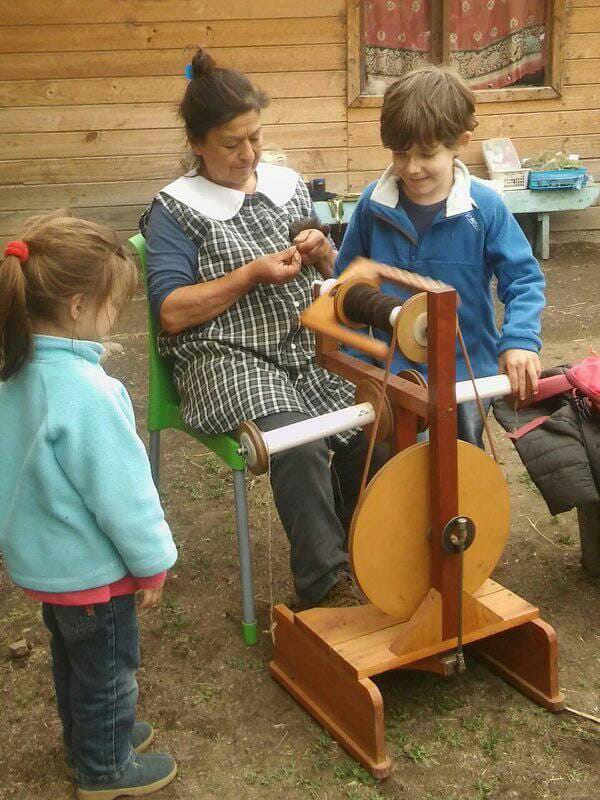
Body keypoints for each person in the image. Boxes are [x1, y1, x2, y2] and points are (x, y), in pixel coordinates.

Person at [140, 48, 383, 610]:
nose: (248, 155)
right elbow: (171, 311)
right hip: (223, 359)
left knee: (374, 412)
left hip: (301, 345)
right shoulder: (175, 210)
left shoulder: (286, 184)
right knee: (297, 440)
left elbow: (329, 267)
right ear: (198, 144)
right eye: (231, 144)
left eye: (255, 138)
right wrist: (248, 275)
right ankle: (327, 587)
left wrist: (324, 252)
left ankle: (369, 550)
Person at [0, 212, 178, 800]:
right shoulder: (89, 394)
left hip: (47, 567)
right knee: (110, 670)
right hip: (94, 575)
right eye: (110, 307)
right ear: (77, 306)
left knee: (73, 662)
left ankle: (90, 739)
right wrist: (152, 561)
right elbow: (122, 496)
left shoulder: (15, 373)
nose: (113, 319)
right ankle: (104, 768)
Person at [336, 65, 546, 447]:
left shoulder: (485, 208)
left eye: (426, 154)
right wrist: (358, 362)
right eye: (400, 153)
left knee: (459, 469)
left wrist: (519, 341)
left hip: (466, 379)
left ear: (460, 142)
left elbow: (524, 279)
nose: (411, 167)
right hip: (393, 377)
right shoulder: (372, 205)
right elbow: (347, 289)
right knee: (395, 474)